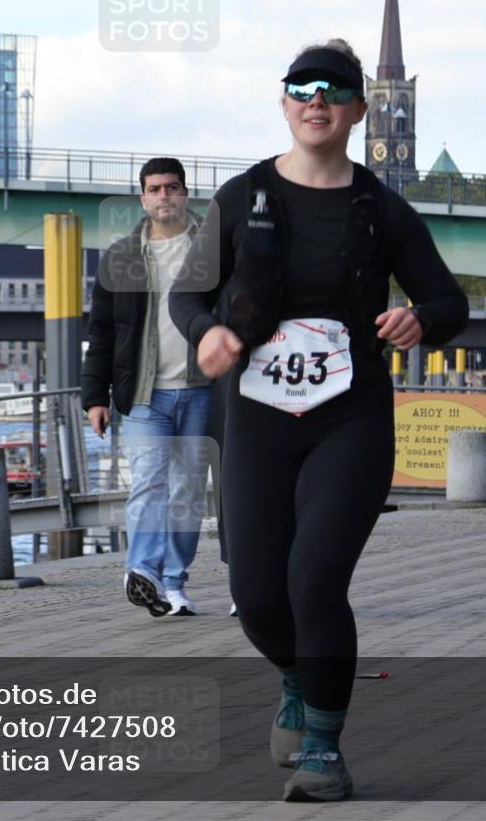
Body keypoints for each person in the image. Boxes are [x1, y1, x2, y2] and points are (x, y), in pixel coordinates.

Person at [170, 40, 468, 801]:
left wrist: (417, 320)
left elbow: (448, 304)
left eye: (332, 90)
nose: (315, 100)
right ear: (284, 104)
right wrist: (208, 331)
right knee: (260, 595)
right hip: (258, 418)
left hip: (351, 419)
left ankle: (325, 751)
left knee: (314, 582)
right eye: (300, 89)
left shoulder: (381, 207)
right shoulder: (242, 198)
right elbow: (189, 294)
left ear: (358, 111)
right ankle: (299, 683)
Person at [82, 157, 212, 617]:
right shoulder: (120, 256)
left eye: (172, 187)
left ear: (185, 193)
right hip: (143, 394)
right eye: (155, 188)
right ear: (142, 197)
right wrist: (95, 397)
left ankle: (174, 582)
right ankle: (143, 572)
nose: (164, 196)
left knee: (188, 493)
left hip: (202, 390)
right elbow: (101, 332)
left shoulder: (214, 249)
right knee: (149, 484)